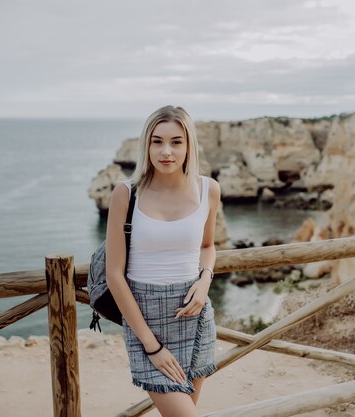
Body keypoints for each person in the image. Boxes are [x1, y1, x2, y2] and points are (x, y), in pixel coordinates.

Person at [105, 105, 220, 417]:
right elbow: (114, 276)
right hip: (145, 322)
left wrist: (204, 281)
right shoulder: (126, 194)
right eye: (157, 141)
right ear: (147, 145)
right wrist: (152, 347)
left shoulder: (208, 189)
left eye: (176, 142)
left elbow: (208, 246)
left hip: (194, 317)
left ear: (188, 145)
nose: (166, 151)